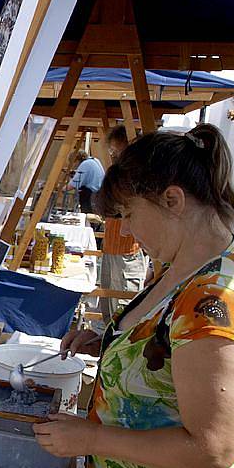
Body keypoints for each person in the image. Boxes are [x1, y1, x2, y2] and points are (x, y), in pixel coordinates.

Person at [34, 124, 234, 468]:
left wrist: (91, 440)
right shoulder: (183, 264)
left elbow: (215, 446)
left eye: (130, 214)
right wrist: (111, 344)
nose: (127, 230)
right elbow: (165, 347)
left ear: (173, 200)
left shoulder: (215, 297)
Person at [99, 124, 148, 323]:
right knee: (109, 312)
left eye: (116, 151)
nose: (114, 156)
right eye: (112, 152)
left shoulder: (137, 177)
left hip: (127, 253)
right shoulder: (119, 175)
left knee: (124, 309)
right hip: (112, 249)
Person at [67, 149, 105, 213]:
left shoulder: (85, 164)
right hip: (99, 194)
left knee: (87, 218)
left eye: (73, 163)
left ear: (76, 160)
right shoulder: (94, 160)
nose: (74, 166)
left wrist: (59, 188)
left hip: (91, 197)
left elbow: (72, 185)